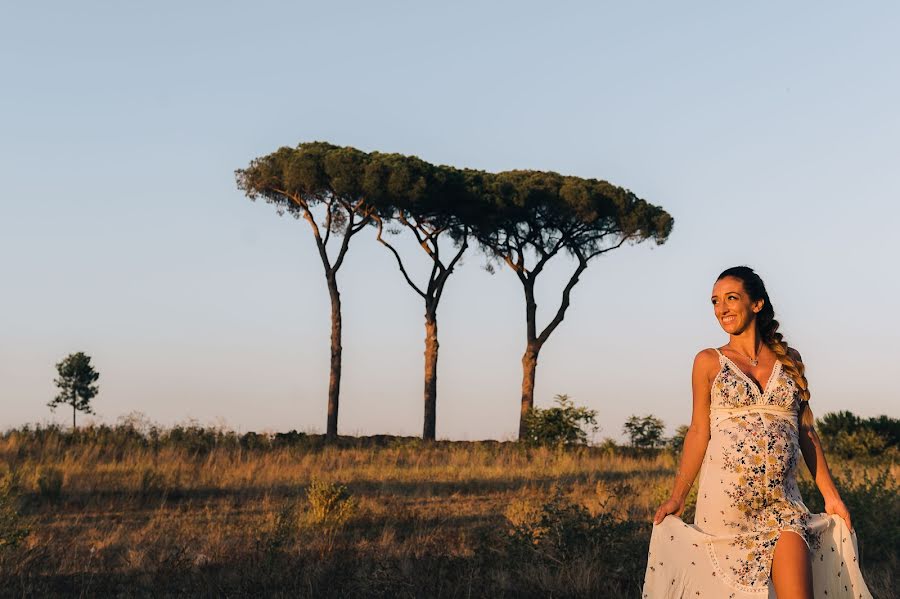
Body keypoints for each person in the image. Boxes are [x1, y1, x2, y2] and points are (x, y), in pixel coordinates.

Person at [642, 266, 872, 598]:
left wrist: (831, 496)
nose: (722, 308)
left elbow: (806, 432)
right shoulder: (708, 361)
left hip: (783, 506)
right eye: (715, 301)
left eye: (731, 298)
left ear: (757, 304)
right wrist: (678, 496)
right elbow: (697, 432)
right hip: (724, 511)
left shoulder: (790, 361)